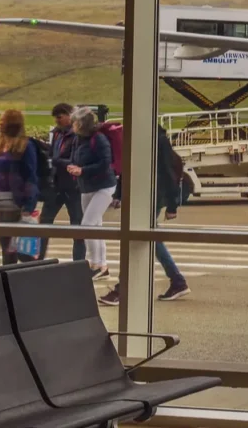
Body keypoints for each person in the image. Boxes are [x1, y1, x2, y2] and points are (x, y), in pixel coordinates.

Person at [100, 124, 191, 305]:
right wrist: (120, 194)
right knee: (149, 240)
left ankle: (124, 289)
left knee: (136, 240)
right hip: (143, 196)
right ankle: (177, 281)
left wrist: (172, 205)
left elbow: (168, 171)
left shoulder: (157, 140)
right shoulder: (140, 139)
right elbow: (129, 169)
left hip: (152, 197)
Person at [0, 109, 40, 266]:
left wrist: (29, 205)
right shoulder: (2, 143)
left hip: (16, 200)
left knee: (14, 245)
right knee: (5, 242)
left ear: (12, 124)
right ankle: (10, 273)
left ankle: (14, 273)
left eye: (3, 121)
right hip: (1, 200)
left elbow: (30, 175)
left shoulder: (25, 146)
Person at [69, 106, 117, 280]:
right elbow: (75, 157)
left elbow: (105, 163)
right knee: (95, 226)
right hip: (87, 185)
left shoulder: (100, 139)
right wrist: (74, 167)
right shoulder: (78, 139)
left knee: (88, 224)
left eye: (75, 122)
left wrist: (82, 170)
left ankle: (96, 264)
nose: (72, 124)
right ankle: (101, 265)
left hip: (104, 185)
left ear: (82, 124)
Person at [39, 103, 85, 261]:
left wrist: (56, 161)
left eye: (59, 117)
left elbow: (75, 160)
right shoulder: (58, 134)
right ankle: (38, 260)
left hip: (73, 187)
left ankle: (78, 264)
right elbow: (53, 153)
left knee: (77, 227)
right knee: (44, 223)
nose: (57, 120)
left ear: (69, 116)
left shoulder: (78, 135)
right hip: (56, 185)